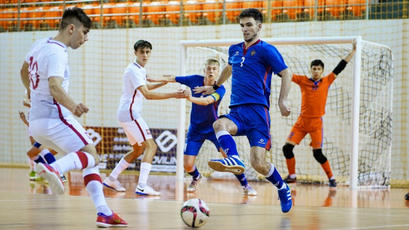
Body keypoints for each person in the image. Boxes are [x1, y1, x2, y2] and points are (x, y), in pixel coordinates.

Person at [20, 7, 127, 227]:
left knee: (88, 160)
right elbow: (54, 86)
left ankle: (103, 212)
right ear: (71, 28)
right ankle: (54, 169)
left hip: (36, 123)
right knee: (94, 156)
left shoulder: (40, 44)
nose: (85, 38)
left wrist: (31, 93)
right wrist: (73, 105)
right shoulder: (57, 52)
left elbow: (23, 71)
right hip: (55, 117)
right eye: (84, 32)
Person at [193, 8, 293, 213]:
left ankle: (282, 187)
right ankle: (234, 158)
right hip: (237, 111)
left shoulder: (266, 50)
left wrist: (282, 101)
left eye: (249, 25)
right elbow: (229, 68)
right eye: (242, 25)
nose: (245, 29)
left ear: (259, 26)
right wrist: (214, 86)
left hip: (258, 113)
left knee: (259, 164)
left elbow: (286, 73)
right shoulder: (234, 49)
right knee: (219, 123)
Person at [148, 58, 257, 195]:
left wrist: (189, 98)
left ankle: (245, 185)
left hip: (214, 128)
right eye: (209, 68)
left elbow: (207, 101)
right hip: (196, 129)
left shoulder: (220, 89)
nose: (211, 71)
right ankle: (196, 177)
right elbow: (172, 78)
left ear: (218, 72)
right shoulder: (194, 80)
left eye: (214, 69)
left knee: (229, 157)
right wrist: (153, 79)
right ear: (204, 70)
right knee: (187, 165)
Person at [102, 40, 186, 196]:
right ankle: (141, 186)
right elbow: (148, 95)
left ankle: (111, 179)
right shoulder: (133, 70)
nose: (145, 55)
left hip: (125, 113)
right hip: (130, 113)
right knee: (151, 146)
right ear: (135, 53)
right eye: (142, 52)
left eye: (148, 52)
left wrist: (164, 81)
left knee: (138, 149)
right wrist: (174, 95)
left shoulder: (139, 69)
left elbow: (146, 88)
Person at [282, 43, 356, 187]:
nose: (316, 71)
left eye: (318, 69)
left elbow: (340, 66)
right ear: (310, 69)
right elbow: (285, 74)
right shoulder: (303, 80)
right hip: (301, 122)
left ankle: (331, 178)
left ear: (322, 71)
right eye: (314, 68)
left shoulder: (326, 81)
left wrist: (352, 52)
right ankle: (292, 176)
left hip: (316, 124)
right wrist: (270, 64)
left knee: (317, 153)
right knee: (287, 148)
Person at [19, 98, 59, 181]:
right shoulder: (35, 109)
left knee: (40, 152)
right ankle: (49, 173)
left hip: (44, 134)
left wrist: (25, 120)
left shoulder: (41, 106)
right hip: (38, 134)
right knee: (32, 154)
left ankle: (54, 173)